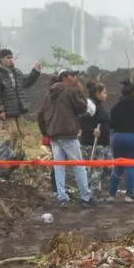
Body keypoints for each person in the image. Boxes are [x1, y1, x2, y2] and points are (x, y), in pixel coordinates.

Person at [37, 69, 94, 207]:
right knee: (78, 166)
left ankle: (62, 197)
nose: (75, 78)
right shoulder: (70, 91)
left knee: (59, 166)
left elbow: (40, 115)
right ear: (64, 78)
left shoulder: (48, 95)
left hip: (54, 135)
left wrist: (46, 132)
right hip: (68, 134)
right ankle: (85, 197)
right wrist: (79, 92)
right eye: (72, 75)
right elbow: (82, 107)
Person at [0, 48, 42, 149]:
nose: (11, 60)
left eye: (11, 57)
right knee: (12, 134)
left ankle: (18, 155)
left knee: (21, 134)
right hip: (7, 111)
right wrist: (0, 110)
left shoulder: (17, 72)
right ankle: (8, 154)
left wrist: (35, 72)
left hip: (19, 109)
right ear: (1, 59)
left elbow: (26, 83)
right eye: (8, 58)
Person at [81, 81, 111, 194]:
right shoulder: (90, 105)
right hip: (93, 143)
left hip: (104, 143)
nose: (106, 95)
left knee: (110, 166)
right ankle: (91, 193)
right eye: (104, 92)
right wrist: (92, 130)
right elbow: (83, 121)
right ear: (98, 93)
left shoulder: (100, 106)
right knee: (97, 169)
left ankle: (100, 189)